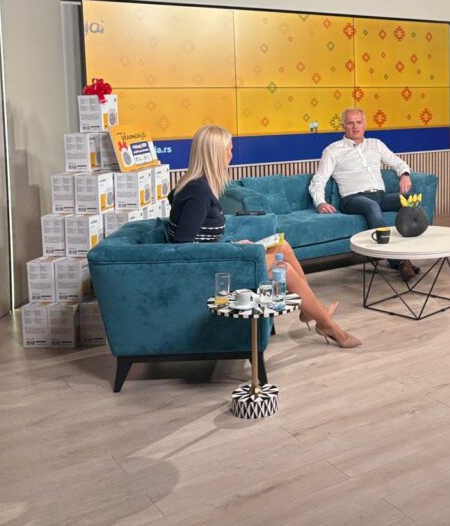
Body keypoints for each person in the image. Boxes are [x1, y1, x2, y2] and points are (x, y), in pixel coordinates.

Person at [168, 125, 361, 348]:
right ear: (216, 154)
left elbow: (199, 236)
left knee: (282, 245)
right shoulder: (198, 192)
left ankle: (312, 310)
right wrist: (233, 250)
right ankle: (327, 324)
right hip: (212, 268)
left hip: (219, 256)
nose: (231, 154)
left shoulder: (197, 185)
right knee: (283, 269)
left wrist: (234, 244)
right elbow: (182, 248)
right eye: (229, 150)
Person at [310, 108, 420, 282]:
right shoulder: (332, 150)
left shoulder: (376, 144)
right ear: (343, 126)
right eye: (350, 123)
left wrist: (405, 175)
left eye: (359, 122)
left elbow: (397, 162)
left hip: (381, 196)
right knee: (371, 206)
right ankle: (398, 262)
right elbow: (319, 179)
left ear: (365, 125)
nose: (355, 127)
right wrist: (320, 202)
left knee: (410, 200)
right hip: (353, 199)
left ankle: (415, 250)